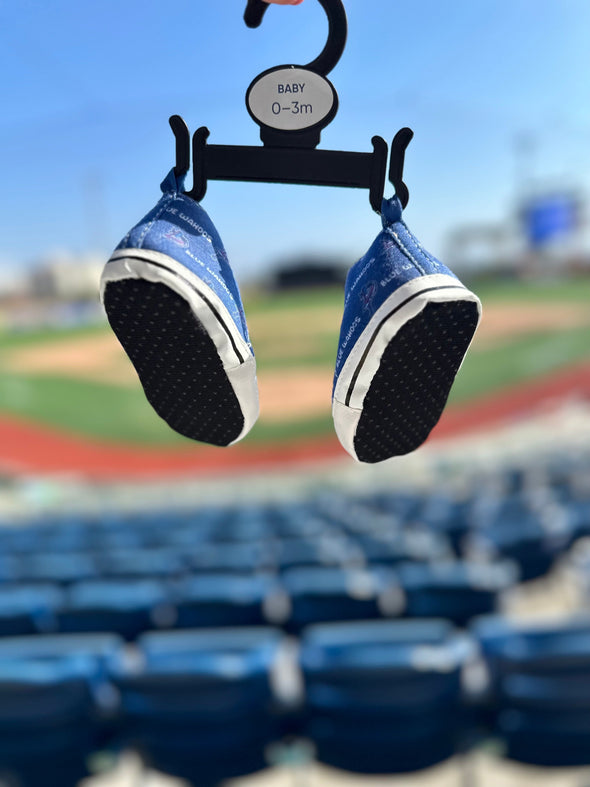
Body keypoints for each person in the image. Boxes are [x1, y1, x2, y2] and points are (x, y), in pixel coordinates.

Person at [100, 0, 481, 463]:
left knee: (183, 212)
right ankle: (400, 268)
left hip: (194, 187)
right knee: (389, 245)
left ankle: (173, 236)